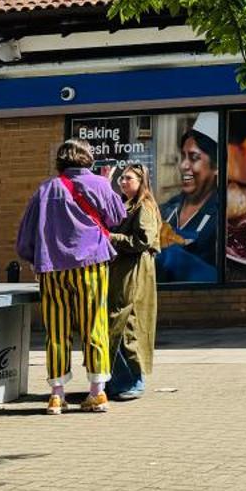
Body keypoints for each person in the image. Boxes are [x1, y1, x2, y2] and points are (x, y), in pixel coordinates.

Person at [15, 138, 125, 414]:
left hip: (53, 269)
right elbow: (117, 216)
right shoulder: (99, 185)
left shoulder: (46, 189)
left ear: (60, 161)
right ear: (88, 158)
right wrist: (107, 184)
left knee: (56, 331)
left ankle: (56, 395)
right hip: (92, 266)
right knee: (95, 327)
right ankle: (97, 392)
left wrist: (33, 258)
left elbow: (26, 236)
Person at [105, 164, 160, 401]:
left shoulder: (144, 207)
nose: (123, 182)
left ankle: (133, 381)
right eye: (122, 179)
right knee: (116, 323)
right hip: (121, 271)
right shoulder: (126, 204)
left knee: (128, 324)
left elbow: (143, 240)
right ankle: (117, 382)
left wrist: (111, 237)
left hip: (135, 271)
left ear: (141, 181)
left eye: (128, 178)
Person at [155, 126, 222, 285]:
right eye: (183, 157)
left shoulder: (221, 216)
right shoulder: (165, 210)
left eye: (194, 157)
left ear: (217, 167)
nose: (183, 165)